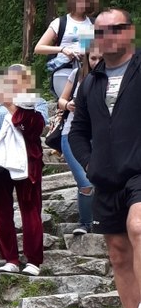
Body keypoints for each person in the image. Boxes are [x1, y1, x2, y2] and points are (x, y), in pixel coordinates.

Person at [69, 8, 141, 308]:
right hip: (106, 178)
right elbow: (77, 132)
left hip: (139, 171)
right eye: (100, 31)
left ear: (130, 31)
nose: (107, 36)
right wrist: (89, 163)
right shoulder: (91, 83)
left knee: (138, 228)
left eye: (115, 29)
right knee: (117, 249)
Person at [0, 65, 49, 276]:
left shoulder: (37, 102)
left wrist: (10, 105)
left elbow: (35, 130)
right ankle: (10, 259)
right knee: (2, 212)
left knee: (30, 209)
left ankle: (33, 260)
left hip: (27, 160)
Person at [57, 47, 102, 235]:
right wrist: (68, 105)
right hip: (72, 133)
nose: (96, 61)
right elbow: (61, 99)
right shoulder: (77, 74)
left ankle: (99, 221)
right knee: (85, 181)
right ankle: (85, 222)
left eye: (101, 57)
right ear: (87, 58)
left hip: (102, 135)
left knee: (101, 180)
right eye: (93, 58)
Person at [33, 0, 97, 98]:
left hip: (85, 71)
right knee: (67, 104)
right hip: (63, 70)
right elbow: (39, 48)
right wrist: (63, 50)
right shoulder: (60, 22)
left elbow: (91, 47)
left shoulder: (92, 23)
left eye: (86, 0)